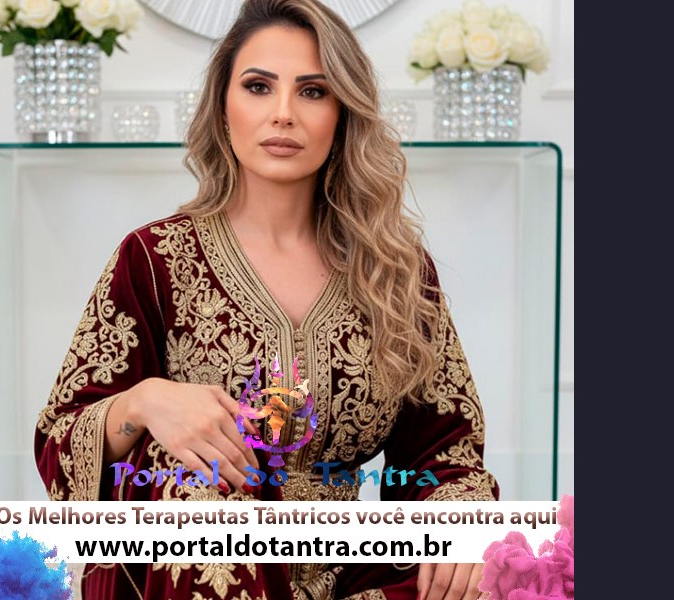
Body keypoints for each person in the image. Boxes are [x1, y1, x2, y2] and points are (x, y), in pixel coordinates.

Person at [34, 0, 499, 598]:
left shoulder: (395, 271)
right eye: (258, 87)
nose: (283, 113)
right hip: (203, 570)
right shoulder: (153, 259)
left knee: (488, 568)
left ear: (343, 115)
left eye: (313, 91)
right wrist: (145, 401)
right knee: (193, 481)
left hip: (356, 573)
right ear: (223, 107)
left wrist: (460, 522)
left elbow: (444, 447)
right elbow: (61, 441)